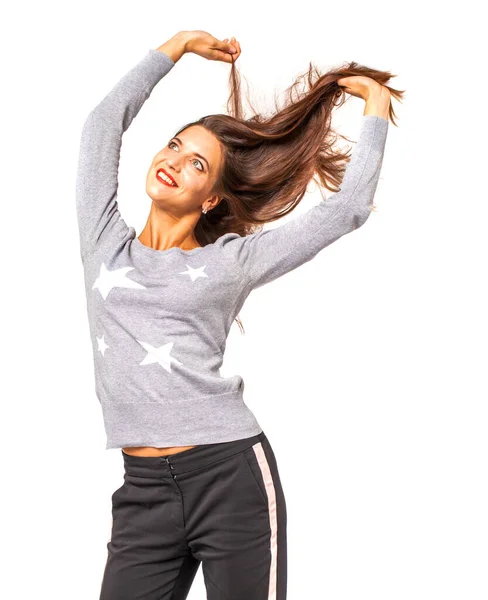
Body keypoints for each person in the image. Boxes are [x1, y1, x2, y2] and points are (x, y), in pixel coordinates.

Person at [76, 29, 400, 600]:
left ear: (211, 200)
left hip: (228, 477)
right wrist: (172, 49)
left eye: (197, 163)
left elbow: (347, 210)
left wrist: (374, 108)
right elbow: (103, 124)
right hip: (143, 491)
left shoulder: (232, 261)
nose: (174, 160)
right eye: (174, 145)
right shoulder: (105, 241)